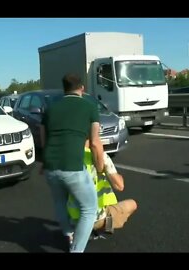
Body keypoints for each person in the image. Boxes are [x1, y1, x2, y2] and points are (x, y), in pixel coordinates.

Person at [39, 73, 105, 253]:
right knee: (89, 208)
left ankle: (68, 234)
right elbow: (94, 142)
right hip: (72, 166)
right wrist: (100, 166)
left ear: (64, 88)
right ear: (82, 88)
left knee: (60, 202)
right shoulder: (90, 106)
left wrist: (45, 161)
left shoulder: (51, 108)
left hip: (50, 166)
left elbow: (44, 138)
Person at [67, 140, 137, 237]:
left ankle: (75, 230)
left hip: (73, 217)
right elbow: (119, 186)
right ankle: (101, 227)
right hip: (95, 217)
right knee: (133, 204)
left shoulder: (69, 156)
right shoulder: (101, 157)